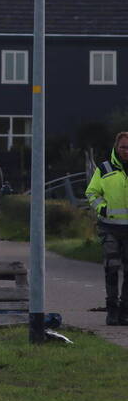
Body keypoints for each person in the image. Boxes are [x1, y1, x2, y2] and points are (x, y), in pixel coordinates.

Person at [85, 131, 128, 325]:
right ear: (116, 148)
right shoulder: (104, 168)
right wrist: (102, 208)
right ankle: (112, 310)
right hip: (110, 227)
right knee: (112, 267)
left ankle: (125, 312)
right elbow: (92, 192)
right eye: (123, 147)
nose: (126, 151)